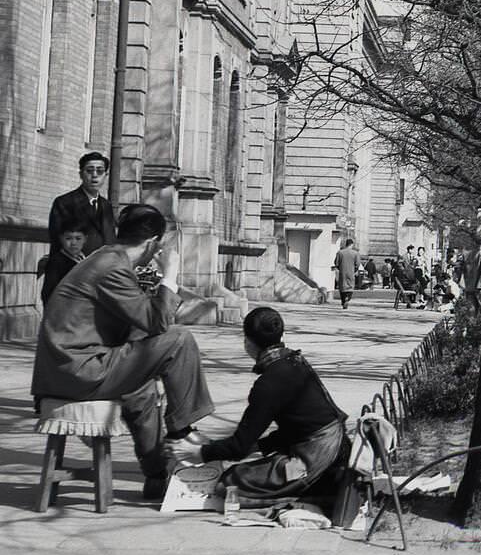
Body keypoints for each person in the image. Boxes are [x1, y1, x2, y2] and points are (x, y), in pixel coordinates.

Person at [31, 202, 215, 501]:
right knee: (180, 339)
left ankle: (156, 475)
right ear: (154, 243)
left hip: (68, 368)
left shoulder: (106, 259)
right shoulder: (112, 267)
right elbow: (157, 322)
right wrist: (170, 274)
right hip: (79, 369)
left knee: (140, 390)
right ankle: (181, 431)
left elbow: (136, 324)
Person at [169, 307, 348, 503]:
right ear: (282, 335)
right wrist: (254, 446)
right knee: (256, 468)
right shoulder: (295, 360)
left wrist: (199, 453)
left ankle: (313, 489)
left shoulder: (268, 384)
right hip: (336, 448)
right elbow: (297, 428)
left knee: (230, 483)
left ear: (247, 343)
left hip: (314, 459)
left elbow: (238, 448)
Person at [42, 150, 117, 303]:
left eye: (100, 171)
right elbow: (57, 239)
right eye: (89, 171)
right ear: (81, 174)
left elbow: (110, 241)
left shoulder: (106, 206)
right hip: (68, 276)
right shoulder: (64, 202)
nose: (94, 175)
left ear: (106, 175)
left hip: (100, 279)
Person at [332, 238, 358, 308]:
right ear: (351, 244)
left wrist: (339, 267)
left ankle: (343, 300)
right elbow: (357, 264)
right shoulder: (355, 253)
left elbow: (336, 263)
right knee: (350, 286)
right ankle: (348, 298)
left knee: (342, 287)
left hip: (342, 272)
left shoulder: (340, 252)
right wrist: (355, 270)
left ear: (346, 244)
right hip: (351, 272)